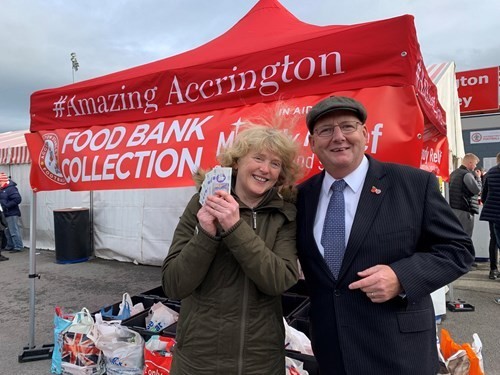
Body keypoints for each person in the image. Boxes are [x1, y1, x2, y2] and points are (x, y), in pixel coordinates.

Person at [296, 96, 474, 374]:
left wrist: (401, 277)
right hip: (332, 352)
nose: (338, 137)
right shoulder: (302, 196)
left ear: (365, 134)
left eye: (348, 126)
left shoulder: (413, 184)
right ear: (312, 142)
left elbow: (458, 250)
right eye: (326, 130)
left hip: (398, 351)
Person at [162, 122, 301, 374]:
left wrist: (234, 226)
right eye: (258, 158)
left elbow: (279, 280)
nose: (265, 169)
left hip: (259, 362)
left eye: (275, 163)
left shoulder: (283, 214)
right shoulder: (201, 203)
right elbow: (174, 284)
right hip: (198, 359)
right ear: (236, 162)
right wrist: (205, 234)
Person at [449, 153, 482, 238]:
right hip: (465, 209)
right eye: (475, 164)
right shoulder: (466, 174)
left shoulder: (453, 173)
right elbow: (477, 190)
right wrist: (478, 178)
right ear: (470, 163)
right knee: (466, 236)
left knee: (456, 235)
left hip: (454, 208)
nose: (475, 167)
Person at [480, 153, 500, 282]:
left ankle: (493, 269)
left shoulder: (491, 172)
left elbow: (484, 194)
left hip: (493, 212)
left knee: (494, 240)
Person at [0, 172, 24, 252]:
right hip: (5, 213)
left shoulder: (11, 189)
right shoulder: (3, 189)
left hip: (11, 213)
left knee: (13, 230)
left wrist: (6, 205)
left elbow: (17, 199)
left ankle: (18, 246)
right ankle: (10, 245)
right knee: (7, 230)